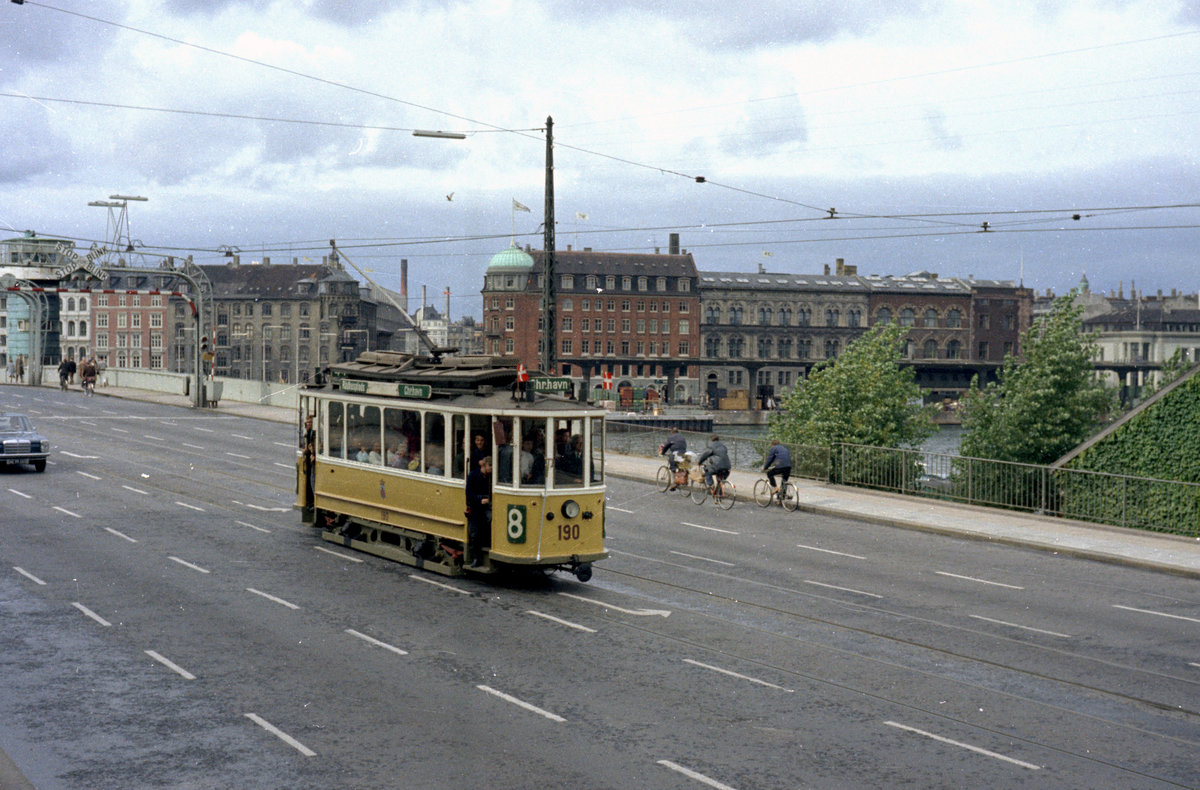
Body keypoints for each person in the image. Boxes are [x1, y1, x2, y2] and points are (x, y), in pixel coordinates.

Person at [465, 456, 492, 567]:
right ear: (484, 466)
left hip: (487, 506)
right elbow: (468, 493)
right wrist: (480, 500)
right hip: (476, 506)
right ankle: (476, 558)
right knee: (475, 532)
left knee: (491, 520)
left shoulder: (490, 477)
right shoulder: (473, 475)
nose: (491, 469)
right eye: (490, 466)